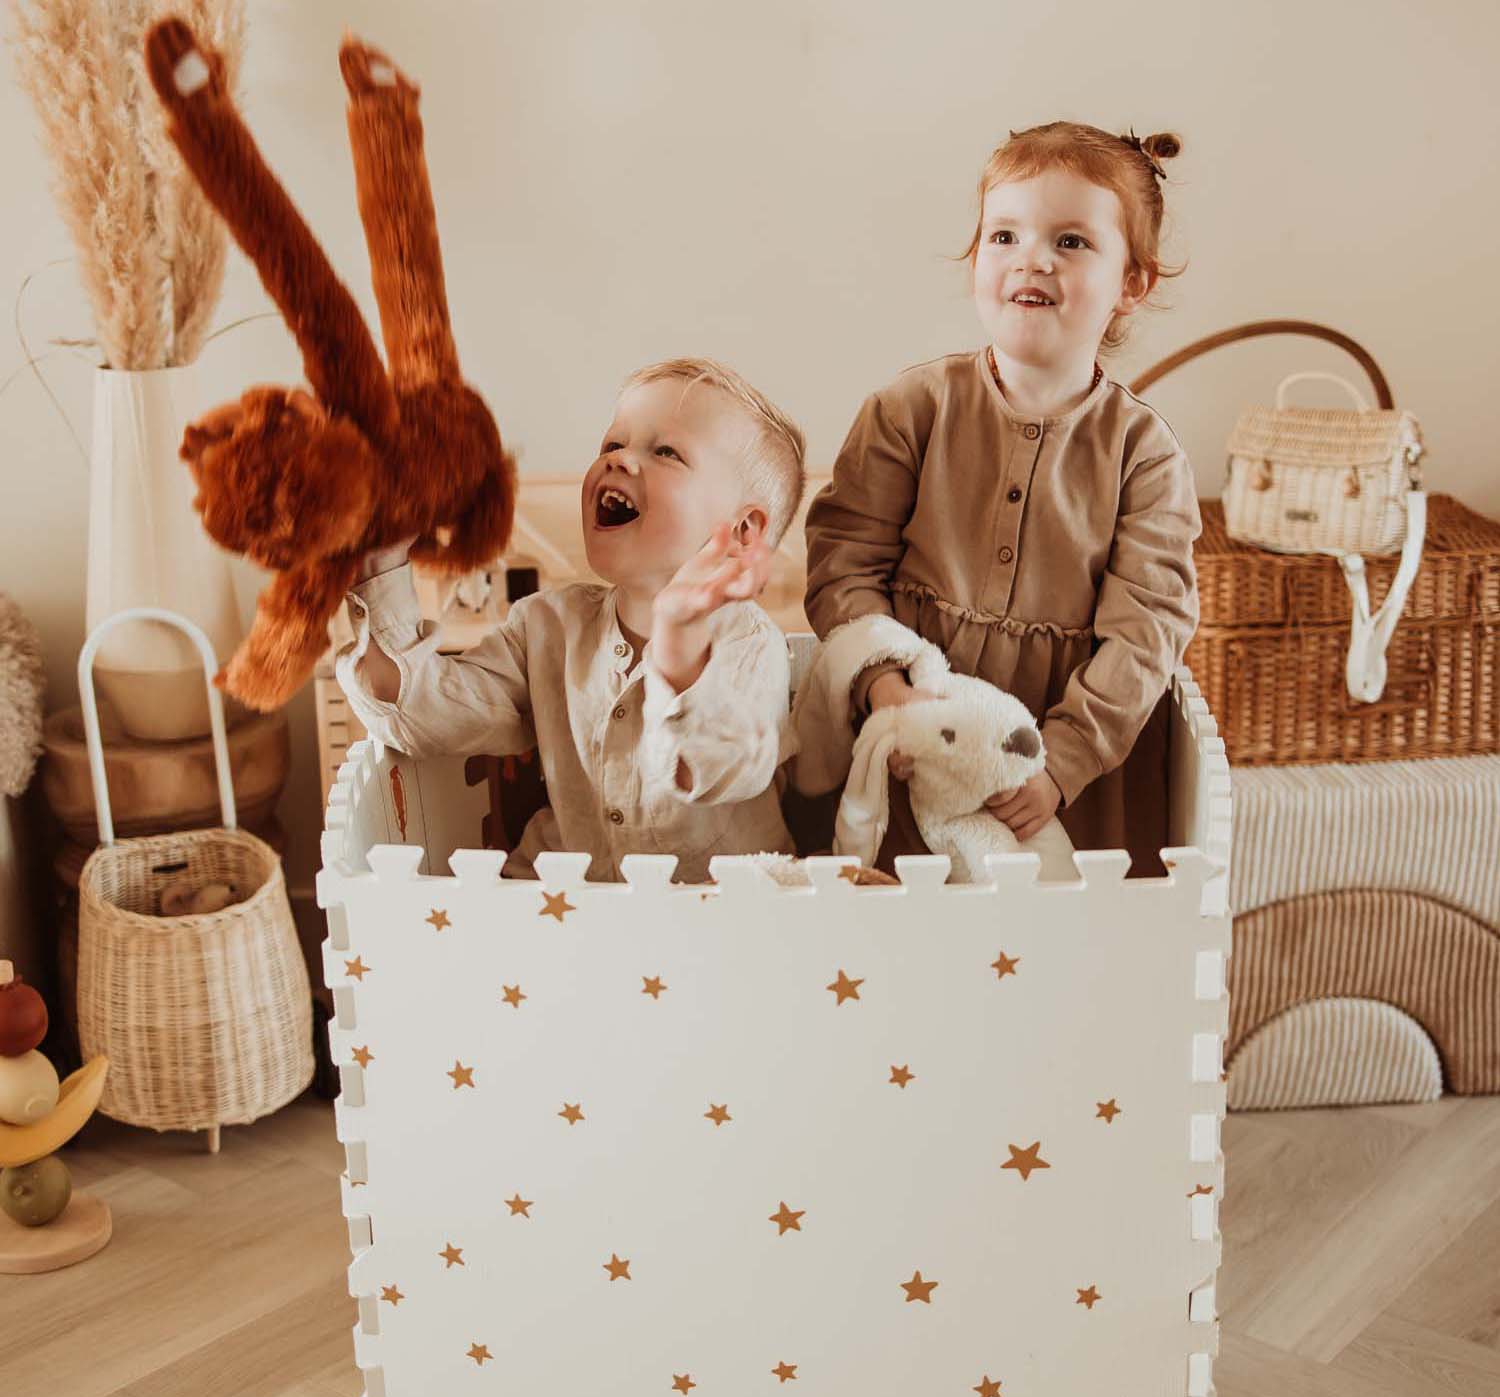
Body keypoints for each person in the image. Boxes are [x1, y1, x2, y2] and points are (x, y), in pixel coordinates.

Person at [803, 123, 1200, 874]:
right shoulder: (908, 409)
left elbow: (1145, 632)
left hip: (1051, 762)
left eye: (1072, 242)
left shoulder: (1144, 455)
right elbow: (842, 563)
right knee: (896, 917)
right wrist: (887, 687)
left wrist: (1063, 765)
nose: (1032, 260)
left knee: (1034, 940)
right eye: (1005, 236)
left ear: (1132, 283)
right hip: (916, 724)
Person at [338, 357, 806, 883]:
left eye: (666, 452)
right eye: (612, 444)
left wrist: (679, 659)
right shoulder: (547, 625)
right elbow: (424, 716)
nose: (621, 460)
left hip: (719, 918)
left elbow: (719, 771)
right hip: (570, 901)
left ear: (742, 533)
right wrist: (379, 564)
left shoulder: (750, 643)